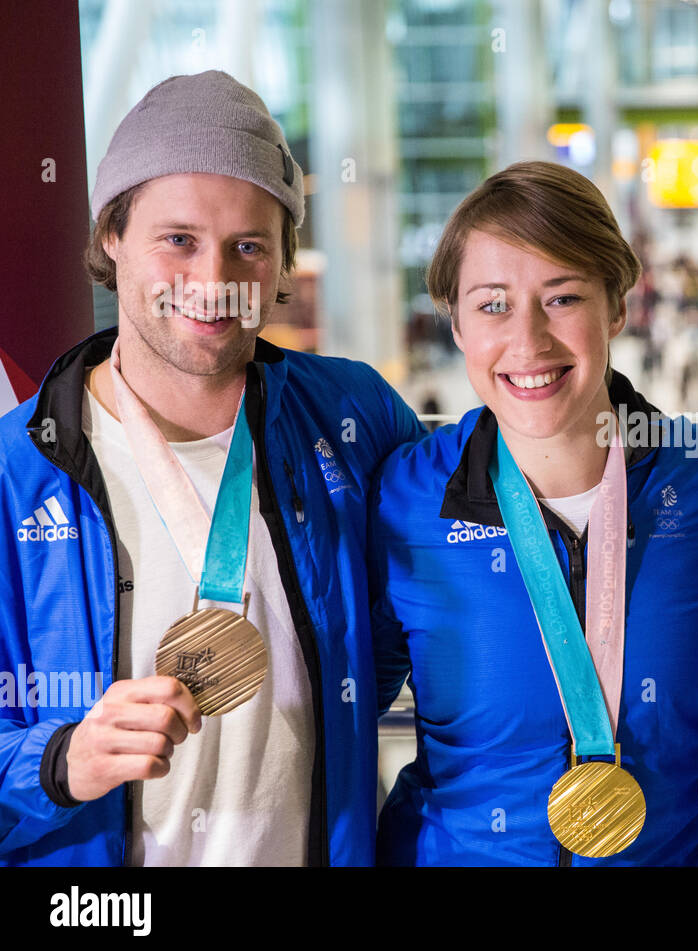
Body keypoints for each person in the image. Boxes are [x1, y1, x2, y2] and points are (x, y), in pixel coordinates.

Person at [0, 71, 424, 866]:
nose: (214, 279)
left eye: (249, 246)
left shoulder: (354, 417)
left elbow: (501, 482)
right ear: (113, 236)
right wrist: (59, 761)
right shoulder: (15, 475)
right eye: (179, 239)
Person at [368, 161, 698, 865]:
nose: (529, 341)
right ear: (454, 323)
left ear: (616, 306)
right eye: (492, 305)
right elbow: (343, 706)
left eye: (562, 298)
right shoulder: (408, 498)